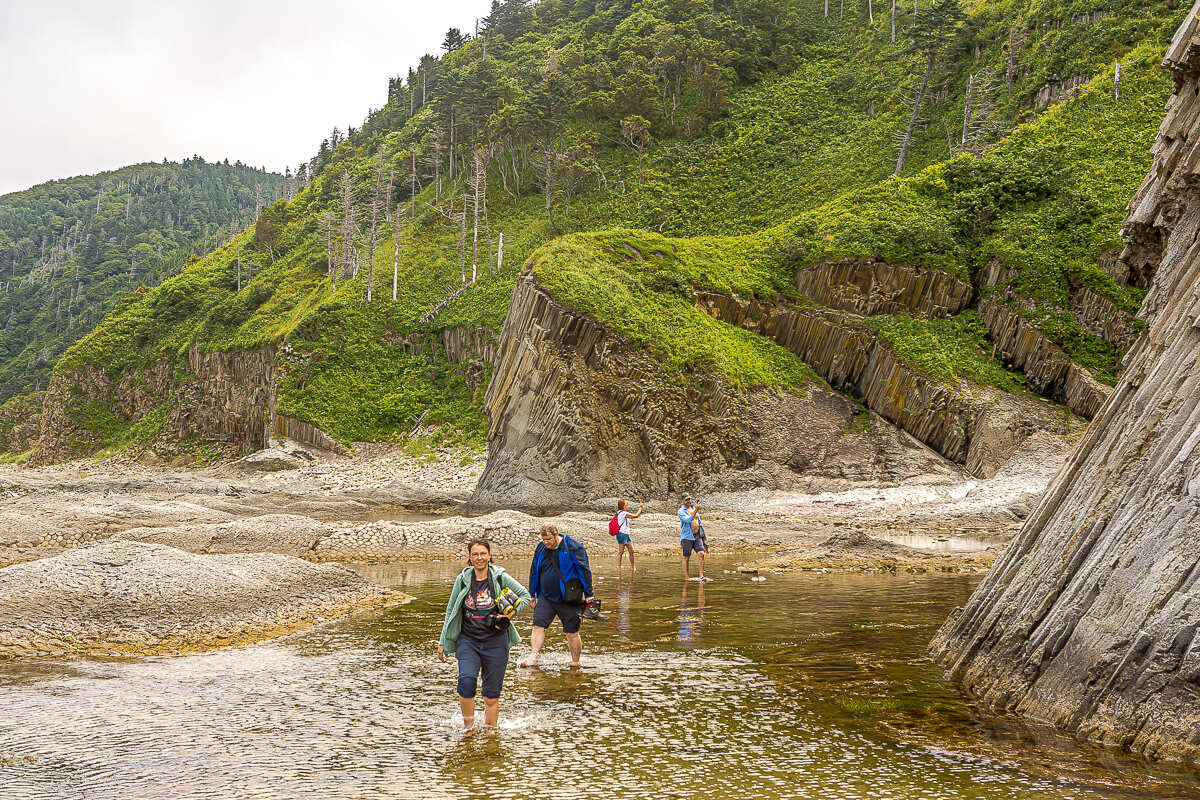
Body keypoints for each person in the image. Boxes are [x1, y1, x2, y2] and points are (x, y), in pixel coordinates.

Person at [437, 538, 531, 731]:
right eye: (475, 554)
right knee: (466, 683)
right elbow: (450, 611)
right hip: (468, 640)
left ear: (489, 556)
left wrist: (509, 615)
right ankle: (468, 729)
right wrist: (443, 641)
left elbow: (525, 596)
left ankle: (491, 735)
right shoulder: (463, 579)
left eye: (482, 554)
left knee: (491, 695)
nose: (479, 558)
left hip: (496, 642)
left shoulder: (499, 577)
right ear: (470, 558)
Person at [520, 523, 595, 667]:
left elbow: (584, 571)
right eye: (543, 539)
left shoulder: (573, 547)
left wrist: (589, 594)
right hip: (546, 596)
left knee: (571, 631)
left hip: (569, 597)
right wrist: (532, 593)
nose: (545, 542)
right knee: (537, 625)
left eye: (548, 539)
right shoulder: (541, 547)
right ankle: (533, 656)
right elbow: (534, 570)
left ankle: (575, 662)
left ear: (556, 535)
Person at [678, 494, 707, 581]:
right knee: (686, 557)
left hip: (697, 535)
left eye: (689, 499)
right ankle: (687, 577)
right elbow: (688, 520)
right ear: (682, 501)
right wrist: (696, 510)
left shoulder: (693, 508)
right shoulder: (681, 511)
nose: (689, 501)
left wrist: (703, 534)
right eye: (686, 500)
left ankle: (701, 576)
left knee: (701, 554)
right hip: (687, 536)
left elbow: (698, 521)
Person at [615, 498, 643, 571]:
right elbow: (636, 516)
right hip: (622, 534)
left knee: (631, 550)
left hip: (626, 534)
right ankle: (619, 568)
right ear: (623, 506)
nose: (626, 505)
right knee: (621, 552)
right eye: (626, 504)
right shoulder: (623, 513)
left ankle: (633, 567)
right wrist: (640, 508)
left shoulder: (620, 513)